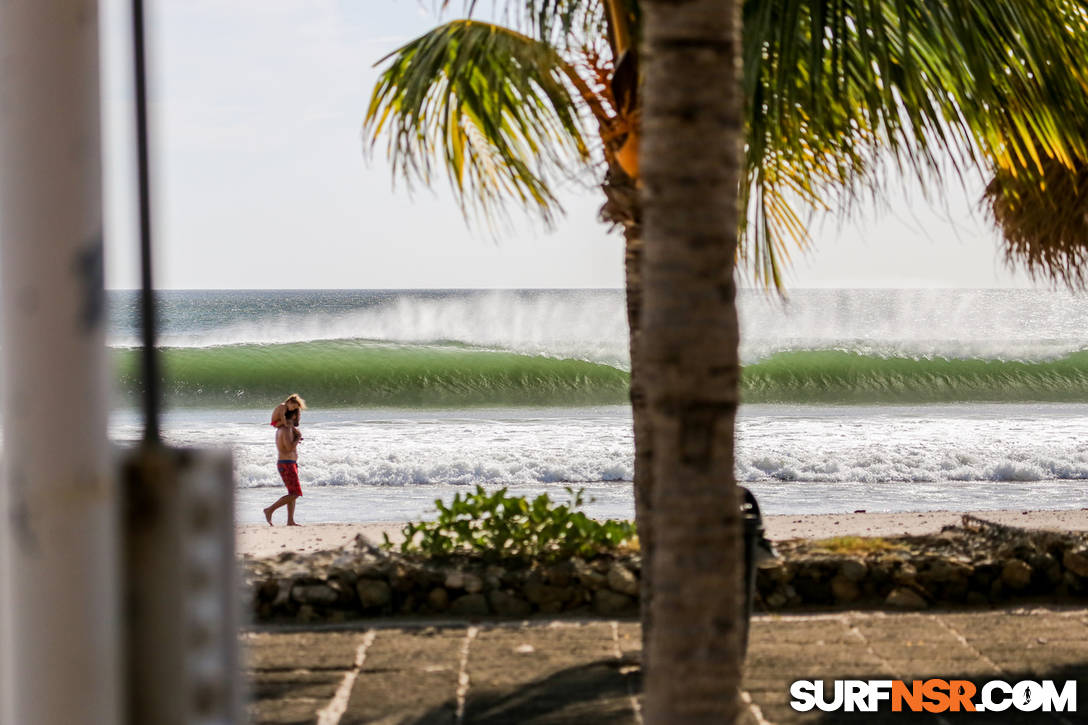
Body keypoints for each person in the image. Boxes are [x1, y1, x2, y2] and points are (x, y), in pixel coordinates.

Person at [263, 406, 303, 526]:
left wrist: (296, 437)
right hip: (286, 465)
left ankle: (290, 520)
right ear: (294, 415)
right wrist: (298, 439)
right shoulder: (285, 429)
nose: (300, 417)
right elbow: (289, 448)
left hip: (290, 463)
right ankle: (269, 510)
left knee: (292, 493)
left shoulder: (288, 429)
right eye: (299, 414)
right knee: (295, 493)